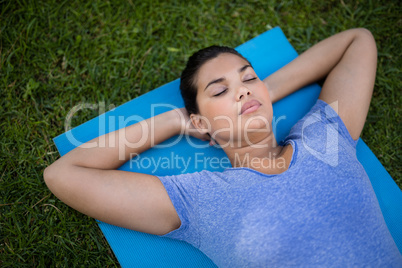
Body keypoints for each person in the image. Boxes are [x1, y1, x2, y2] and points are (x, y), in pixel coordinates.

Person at [44, 28, 402, 266]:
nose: (243, 88)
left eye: (248, 77)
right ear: (200, 123)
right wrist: (175, 121)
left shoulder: (323, 137)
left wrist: (264, 93)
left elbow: (358, 40)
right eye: (219, 90)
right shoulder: (199, 199)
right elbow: (64, 175)